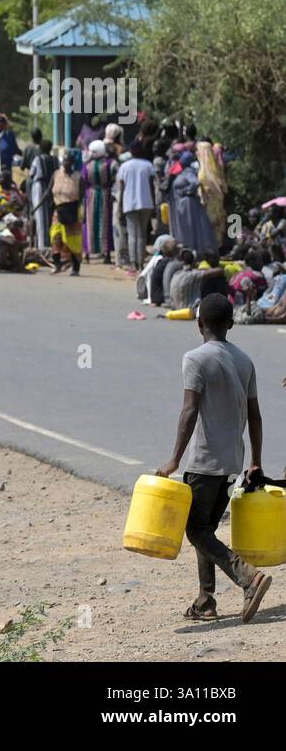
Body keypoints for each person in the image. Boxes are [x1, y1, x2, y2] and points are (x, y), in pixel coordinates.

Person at [155, 295, 271, 623]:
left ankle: (248, 577)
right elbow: (255, 415)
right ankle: (205, 601)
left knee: (195, 531)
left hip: (205, 462)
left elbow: (190, 410)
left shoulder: (194, 358)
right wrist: (256, 460)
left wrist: (174, 459)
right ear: (231, 324)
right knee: (205, 530)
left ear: (199, 324)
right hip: (233, 462)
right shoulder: (245, 360)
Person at [117, 141, 156, 273]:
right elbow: (151, 186)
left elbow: (122, 188)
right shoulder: (148, 165)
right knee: (142, 234)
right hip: (146, 202)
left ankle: (133, 263)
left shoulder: (124, 166)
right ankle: (140, 263)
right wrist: (153, 203)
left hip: (129, 202)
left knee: (132, 234)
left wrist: (120, 206)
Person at [170, 151, 217, 255]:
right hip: (183, 204)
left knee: (189, 227)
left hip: (188, 204)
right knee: (186, 227)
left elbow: (196, 182)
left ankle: (193, 250)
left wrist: (186, 191)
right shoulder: (183, 172)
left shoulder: (188, 172)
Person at [82, 139, 116, 263]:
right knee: (105, 223)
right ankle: (107, 254)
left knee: (89, 223)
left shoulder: (86, 166)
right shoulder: (110, 163)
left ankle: (87, 254)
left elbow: (83, 181)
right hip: (105, 195)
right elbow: (115, 178)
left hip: (90, 195)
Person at [50, 152, 83, 275]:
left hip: (72, 211)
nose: (65, 163)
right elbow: (49, 190)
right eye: (64, 160)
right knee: (55, 237)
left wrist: (81, 212)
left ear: (72, 163)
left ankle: (75, 268)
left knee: (73, 240)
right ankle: (57, 264)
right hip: (58, 211)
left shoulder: (78, 177)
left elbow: (82, 197)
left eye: (68, 161)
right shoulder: (56, 174)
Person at [26, 138, 57, 250]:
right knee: (51, 214)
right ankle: (52, 243)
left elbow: (31, 174)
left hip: (40, 187)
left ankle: (42, 245)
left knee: (40, 216)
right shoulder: (55, 159)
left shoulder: (37, 159)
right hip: (53, 186)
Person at [197, 139, 228, 247]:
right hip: (216, 200)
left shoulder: (203, 170)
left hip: (208, 201)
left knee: (210, 225)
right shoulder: (216, 166)